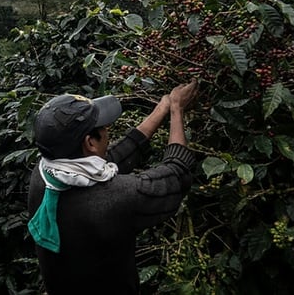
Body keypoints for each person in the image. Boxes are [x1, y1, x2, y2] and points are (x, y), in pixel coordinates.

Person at [27, 81, 199, 294]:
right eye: (104, 127)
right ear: (90, 142)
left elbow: (114, 157)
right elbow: (177, 174)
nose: (108, 130)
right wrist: (177, 109)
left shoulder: (45, 173)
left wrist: (162, 108)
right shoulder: (113, 199)